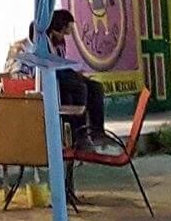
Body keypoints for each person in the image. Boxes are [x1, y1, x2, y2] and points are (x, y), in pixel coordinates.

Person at [9, 9, 110, 144]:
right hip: (37, 86)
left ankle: (97, 133)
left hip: (56, 78)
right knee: (79, 88)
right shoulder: (21, 48)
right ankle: (80, 135)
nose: (64, 36)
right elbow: (17, 76)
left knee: (95, 87)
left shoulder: (55, 44)